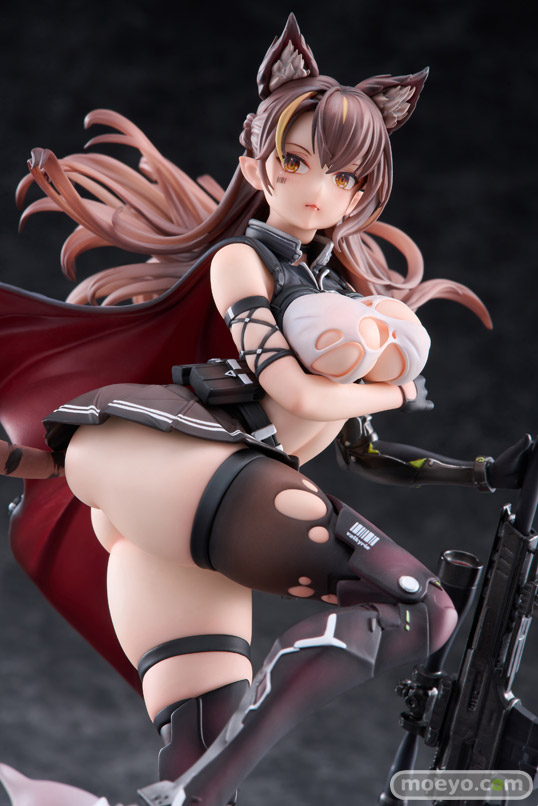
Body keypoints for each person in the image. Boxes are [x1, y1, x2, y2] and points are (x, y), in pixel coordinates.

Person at [0, 14, 531, 806]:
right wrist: (394, 389)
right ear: (256, 164)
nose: (321, 190)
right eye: (295, 161)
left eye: (346, 178)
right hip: (172, 457)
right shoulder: (243, 260)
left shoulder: (335, 297)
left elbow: (362, 451)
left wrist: (482, 472)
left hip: (180, 497)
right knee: (417, 607)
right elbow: (294, 393)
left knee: (200, 739)